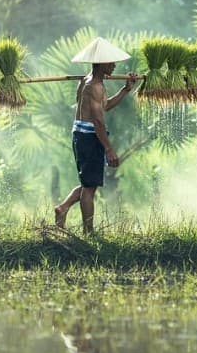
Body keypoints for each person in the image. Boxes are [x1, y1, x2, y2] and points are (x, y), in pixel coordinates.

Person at [54, 58, 138, 234]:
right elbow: (98, 121)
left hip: (80, 133)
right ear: (100, 64)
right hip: (89, 136)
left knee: (88, 183)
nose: (114, 66)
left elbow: (104, 107)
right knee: (89, 189)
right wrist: (109, 149)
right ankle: (88, 232)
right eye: (111, 63)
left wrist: (125, 89)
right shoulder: (95, 86)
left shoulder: (87, 80)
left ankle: (63, 208)